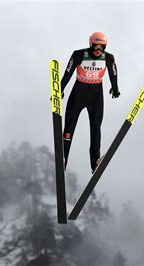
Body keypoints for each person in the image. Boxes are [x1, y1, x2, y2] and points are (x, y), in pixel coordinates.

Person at [60, 32, 120, 172]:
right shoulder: (79, 54)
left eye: (102, 47)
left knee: (96, 128)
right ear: (90, 45)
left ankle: (95, 162)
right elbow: (67, 73)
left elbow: (113, 73)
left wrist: (115, 88)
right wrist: (60, 89)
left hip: (96, 95)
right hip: (79, 92)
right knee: (69, 125)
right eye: (95, 46)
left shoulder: (108, 58)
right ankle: (63, 157)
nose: (98, 50)